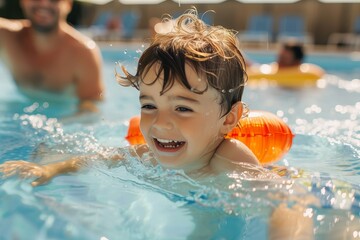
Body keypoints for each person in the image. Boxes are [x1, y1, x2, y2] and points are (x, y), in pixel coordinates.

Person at [0, 10, 314, 239]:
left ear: (229, 119)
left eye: (182, 107)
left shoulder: (227, 159)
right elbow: (103, 157)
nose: (160, 123)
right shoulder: (150, 154)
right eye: (149, 105)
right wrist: (50, 170)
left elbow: (288, 202)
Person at [0, 0, 104, 112]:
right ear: (23, 1)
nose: (44, 3)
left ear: (68, 4)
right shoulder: (6, 36)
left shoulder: (84, 54)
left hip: (62, 121)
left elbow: (91, 109)